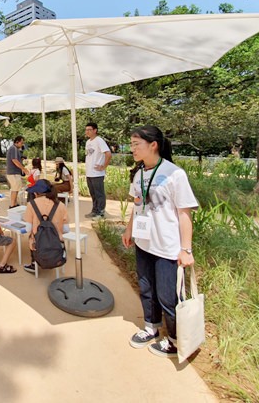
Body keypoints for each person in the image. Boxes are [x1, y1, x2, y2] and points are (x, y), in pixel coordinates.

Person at [121, 126, 197, 358]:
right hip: (144, 243)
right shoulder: (138, 174)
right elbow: (137, 205)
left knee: (168, 296)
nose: (132, 149)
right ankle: (150, 327)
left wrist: (186, 249)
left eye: (136, 144)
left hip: (167, 247)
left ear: (153, 145)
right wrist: (129, 228)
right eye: (131, 144)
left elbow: (184, 213)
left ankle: (175, 340)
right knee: (146, 288)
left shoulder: (175, 174)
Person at [22, 179, 69, 274]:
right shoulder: (61, 205)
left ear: (36, 192)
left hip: (37, 244)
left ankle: (33, 264)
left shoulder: (31, 204)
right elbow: (66, 229)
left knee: (31, 237)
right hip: (57, 243)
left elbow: (28, 229)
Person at [84, 122, 112, 218]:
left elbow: (108, 154)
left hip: (97, 173)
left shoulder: (99, 140)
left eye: (89, 130)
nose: (87, 132)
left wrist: (103, 166)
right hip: (89, 173)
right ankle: (94, 210)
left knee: (99, 193)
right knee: (93, 193)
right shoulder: (88, 142)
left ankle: (100, 212)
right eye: (86, 130)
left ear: (95, 130)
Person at [6, 136, 30, 208]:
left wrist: (21, 158)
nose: (22, 144)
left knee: (16, 189)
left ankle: (15, 203)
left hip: (15, 173)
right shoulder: (13, 149)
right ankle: (12, 204)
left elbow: (16, 159)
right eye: (21, 142)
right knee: (14, 189)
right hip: (13, 173)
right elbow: (14, 160)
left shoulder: (15, 149)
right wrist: (24, 169)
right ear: (17, 142)